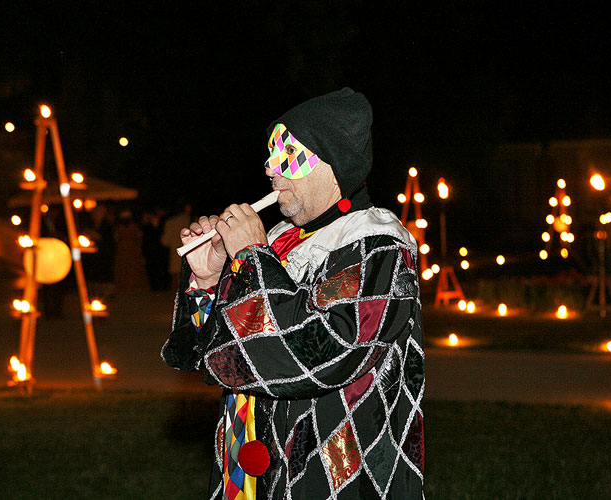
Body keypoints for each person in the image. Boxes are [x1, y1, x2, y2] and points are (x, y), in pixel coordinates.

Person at [162, 88, 424, 499]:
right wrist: (210, 279)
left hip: (334, 473)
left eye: (288, 156)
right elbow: (224, 355)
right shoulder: (280, 241)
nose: (270, 170)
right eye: (270, 156)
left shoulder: (378, 244)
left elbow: (319, 356)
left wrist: (250, 258)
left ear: (334, 165)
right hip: (251, 475)